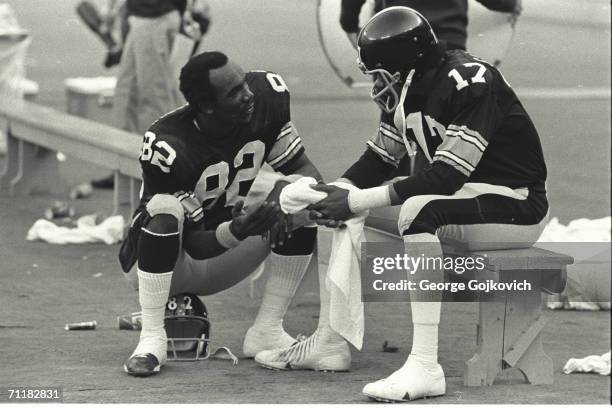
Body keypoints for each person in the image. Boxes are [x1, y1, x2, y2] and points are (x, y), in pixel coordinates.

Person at [287, 7, 548, 401]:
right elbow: (380, 158)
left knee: (419, 210)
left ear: (405, 66)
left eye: (380, 72)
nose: (376, 83)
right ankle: (330, 341)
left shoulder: (470, 81)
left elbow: (446, 177)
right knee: (332, 211)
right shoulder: (409, 87)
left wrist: (355, 200)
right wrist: (335, 191)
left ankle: (426, 364)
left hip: (514, 203)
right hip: (462, 198)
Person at [118, 51, 323, 376]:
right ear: (207, 106)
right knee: (167, 210)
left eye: (243, 83)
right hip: (168, 263)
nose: (248, 94)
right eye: (234, 92)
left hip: (226, 251)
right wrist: (238, 229)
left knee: (301, 196)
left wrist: (286, 195)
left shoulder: (266, 99)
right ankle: (151, 339)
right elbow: (196, 246)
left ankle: (267, 329)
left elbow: (304, 169)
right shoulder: (170, 144)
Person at [339, 0, 521, 178]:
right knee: (436, 138)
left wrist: (349, 24)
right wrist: (510, 4)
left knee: (403, 132)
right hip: (445, 45)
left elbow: (350, 9)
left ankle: (406, 192)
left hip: (392, 48)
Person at [92, 0, 211, 188]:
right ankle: (125, 168)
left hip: (154, 16)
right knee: (126, 93)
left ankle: (169, 171)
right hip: (144, 16)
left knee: (155, 97)